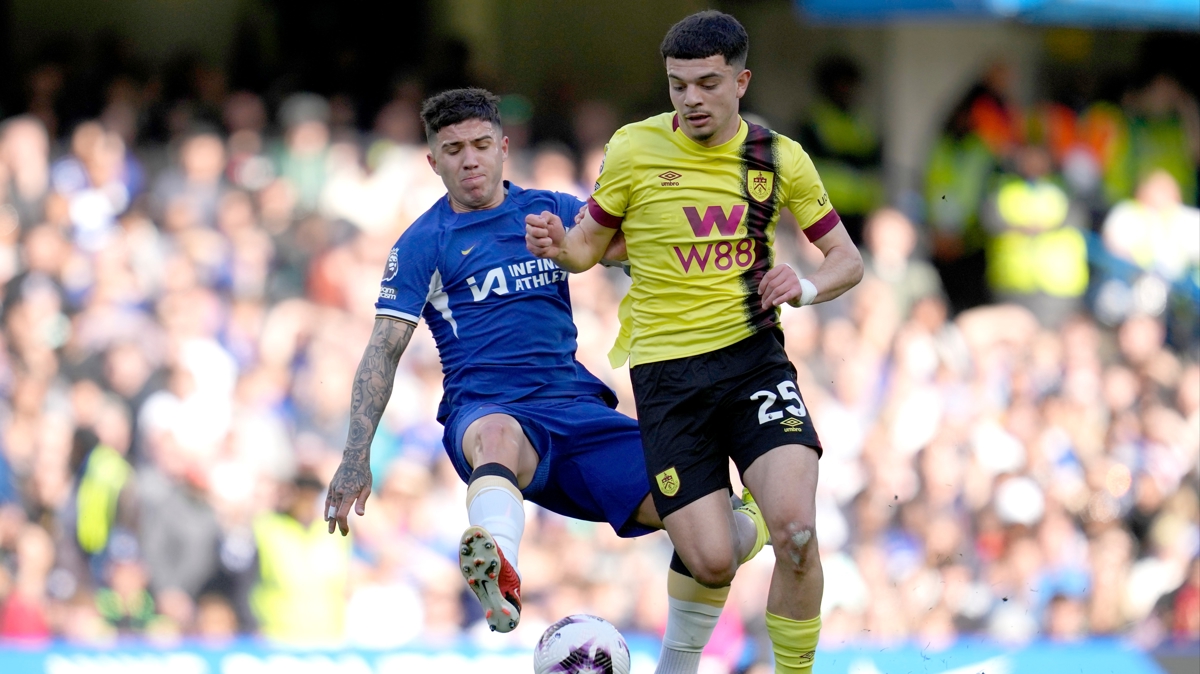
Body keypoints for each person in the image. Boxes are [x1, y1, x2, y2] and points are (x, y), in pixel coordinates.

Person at [323, 88, 767, 672]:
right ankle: (500, 569)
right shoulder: (422, 244)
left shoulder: (549, 209)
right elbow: (383, 350)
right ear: (433, 161)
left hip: (578, 412)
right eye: (453, 150)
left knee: (713, 546)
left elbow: (637, 250)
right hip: (488, 410)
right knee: (498, 434)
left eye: (481, 145)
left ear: (504, 148)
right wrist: (355, 457)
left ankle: (727, 570)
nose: (469, 159)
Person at [526, 12, 863, 673]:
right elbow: (587, 248)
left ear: (741, 81)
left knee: (800, 534)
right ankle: (746, 525)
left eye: (707, 83)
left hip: (754, 364)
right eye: (678, 85)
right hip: (667, 378)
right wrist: (557, 245)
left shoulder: (778, 158)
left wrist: (804, 287)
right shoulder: (633, 149)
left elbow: (846, 261)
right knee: (712, 560)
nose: (691, 99)